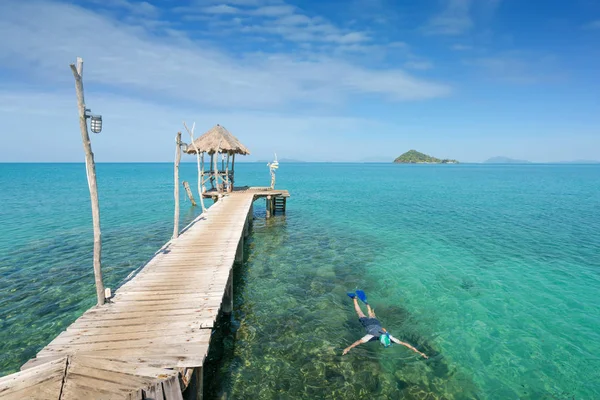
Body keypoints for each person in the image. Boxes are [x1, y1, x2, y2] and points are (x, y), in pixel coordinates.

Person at [342, 290, 428, 358]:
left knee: (371, 314)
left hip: (376, 322)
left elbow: (405, 344)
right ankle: (354, 298)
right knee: (359, 312)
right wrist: (347, 348)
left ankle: (366, 303)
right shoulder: (370, 337)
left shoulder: (389, 336)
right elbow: (358, 342)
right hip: (368, 324)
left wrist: (420, 353)